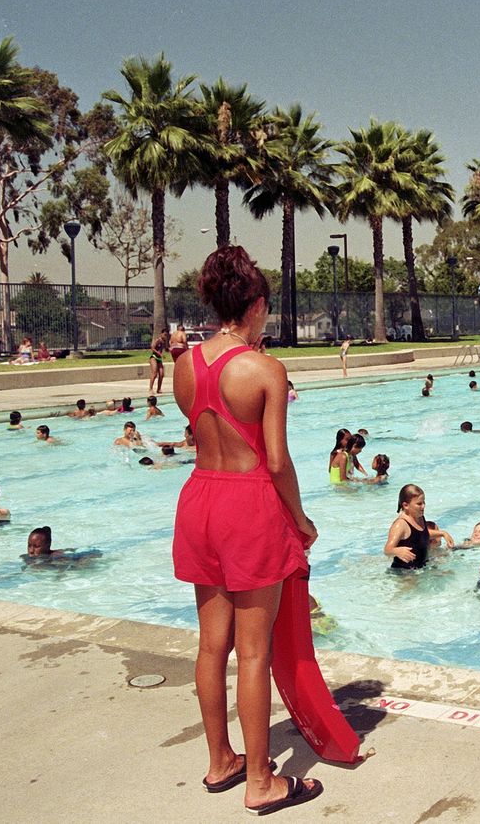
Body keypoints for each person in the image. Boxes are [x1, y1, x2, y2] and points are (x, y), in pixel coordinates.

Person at [169, 245, 321, 814]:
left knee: (213, 644)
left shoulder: (187, 363)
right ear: (256, 304)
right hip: (247, 505)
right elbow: (276, 461)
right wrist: (301, 522)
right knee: (253, 653)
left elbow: (198, 431)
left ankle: (220, 761)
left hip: (199, 499)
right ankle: (262, 779)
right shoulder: (264, 369)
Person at [384, 484, 454, 570]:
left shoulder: (419, 517)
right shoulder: (401, 524)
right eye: (419, 504)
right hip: (405, 572)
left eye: (424, 502)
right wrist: (396, 551)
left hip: (422, 565)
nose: (423, 506)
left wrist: (442, 533)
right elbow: (387, 549)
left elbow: (420, 534)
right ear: (406, 505)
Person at [148, 330, 167, 396]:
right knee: (154, 372)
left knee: (161, 374)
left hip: (159, 359)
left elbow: (165, 349)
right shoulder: (158, 340)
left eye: (166, 335)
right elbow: (152, 348)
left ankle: (159, 389)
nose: (165, 336)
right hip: (154, 357)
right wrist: (159, 353)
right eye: (164, 334)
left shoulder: (164, 342)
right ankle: (150, 388)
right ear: (161, 334)